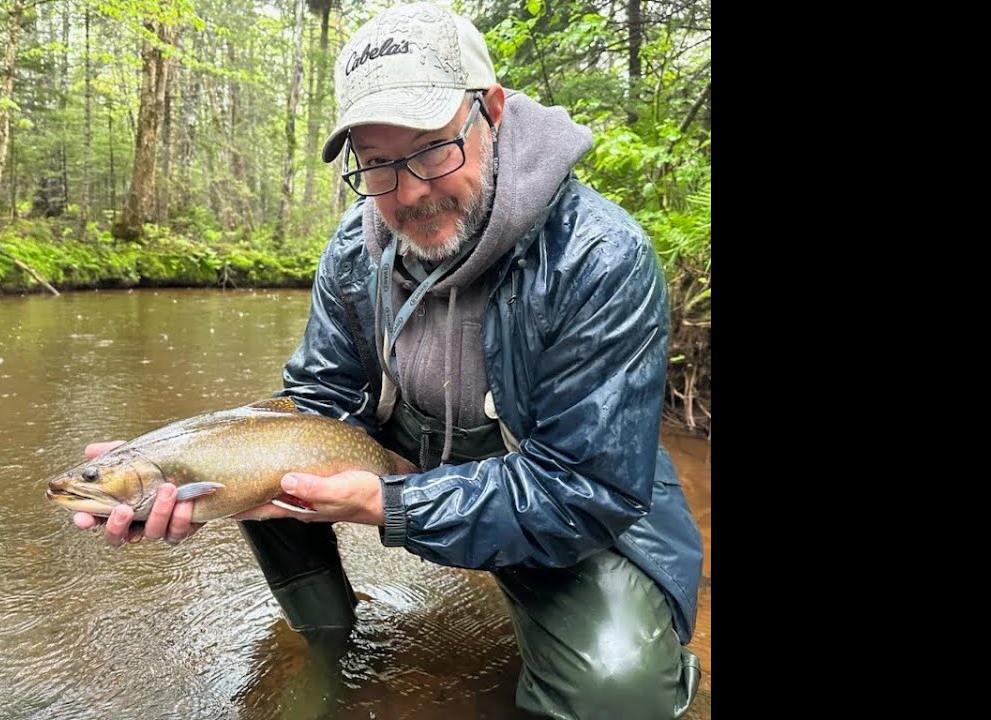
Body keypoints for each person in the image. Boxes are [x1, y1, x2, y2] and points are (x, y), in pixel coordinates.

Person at [73, 3, 704, 718]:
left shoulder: (599, 258)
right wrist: (180, 468)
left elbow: (587, 490)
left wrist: (392, 502)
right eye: (376, 164)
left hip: (565, 478)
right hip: (419, 451)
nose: (408, 193)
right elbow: (318, 400)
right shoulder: (354, 248)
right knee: (261, 435)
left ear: (490, 112)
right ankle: (324, 636)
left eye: (432, 150)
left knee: (615, 692)